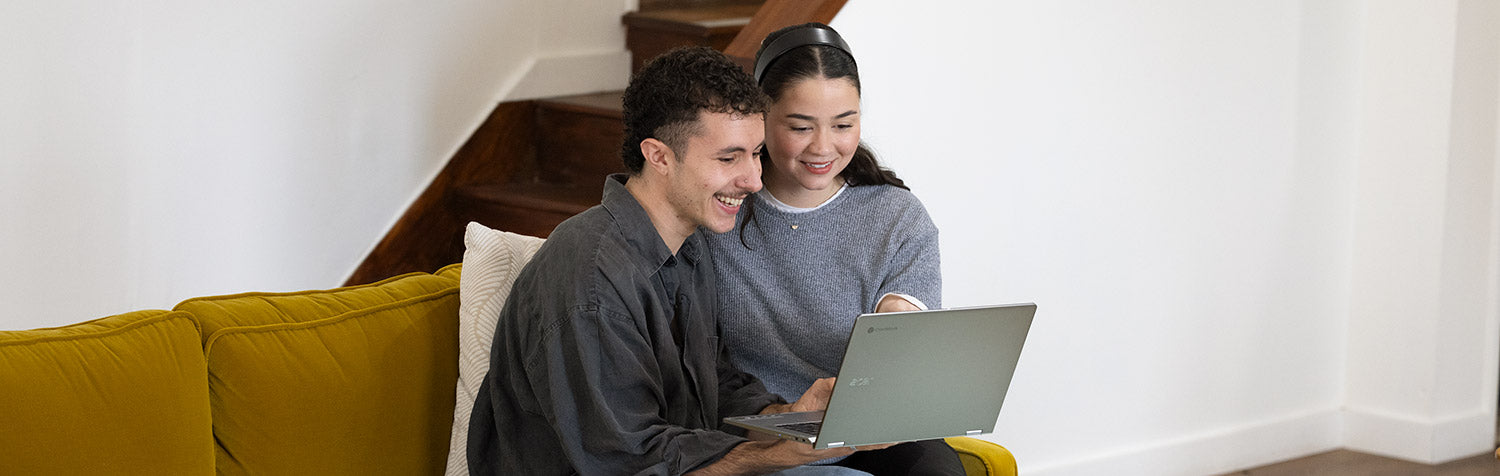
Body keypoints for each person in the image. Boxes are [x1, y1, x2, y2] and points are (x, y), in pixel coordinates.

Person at [467, 46, 884, 476]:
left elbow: (717, 391)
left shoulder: (689, 245)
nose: (755, 180)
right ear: (660, 156)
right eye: (728, 158)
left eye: (756, 153)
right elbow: (630, 462)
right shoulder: (590, 280)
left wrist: (793, 418)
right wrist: (777, 456)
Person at [704, 24, 965, 475]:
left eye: (844, 125)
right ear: (760, 117)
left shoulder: (896, 216)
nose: (823, 147)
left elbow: (902, 337)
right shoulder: (721, 211)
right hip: (763, 429)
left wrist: (897, 340)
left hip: (868, 426)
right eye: (801, 127)